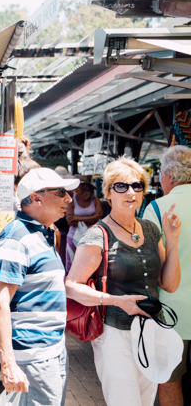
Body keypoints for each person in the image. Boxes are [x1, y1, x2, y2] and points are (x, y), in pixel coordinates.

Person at [65, 157, 181, 406]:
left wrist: (172, 240)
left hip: (151, 330)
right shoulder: (98, 233)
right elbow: (71, 285)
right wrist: (117, 301)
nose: (131, 192)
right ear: (108, 193)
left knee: (145, 400)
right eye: (121, 186)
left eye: (137, 186)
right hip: (114, 334)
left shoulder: (150, 229)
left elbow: (169, 285)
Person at [0, 168, 80, 405]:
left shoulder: (42, 233)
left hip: (53, 350)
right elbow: (0, 302)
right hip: (34, 356)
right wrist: (8, 363)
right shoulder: (16, 238)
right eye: (61, 192)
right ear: (36, 197)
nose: (68, 199)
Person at [142, 146, 191, 406]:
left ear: (170, 176)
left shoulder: (158, 208)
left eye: (160, 172)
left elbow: (150, 266)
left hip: (171, 314)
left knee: (169, 381)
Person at [65, 174, 104, 271]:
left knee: (90, 265)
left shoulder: (95, 200)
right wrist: (91, 218)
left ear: (85, 186)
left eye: (77, 185)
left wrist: (77, 218)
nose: (75, 188)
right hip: (73, 236)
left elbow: (99, 218)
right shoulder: (71, 200)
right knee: (71, 264)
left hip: (92, 236)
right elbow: (70, 221)